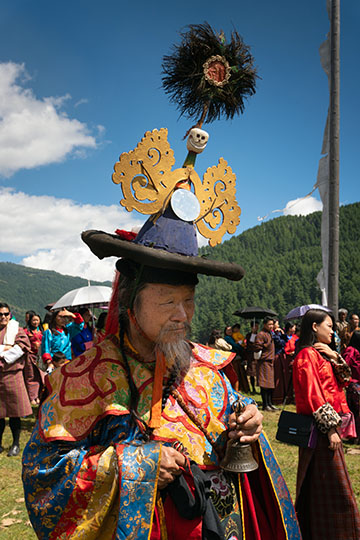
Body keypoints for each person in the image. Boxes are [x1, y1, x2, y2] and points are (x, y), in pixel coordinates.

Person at [23, 175, 301, 538]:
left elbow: (231, 416)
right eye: (168, 301)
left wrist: (247, 422)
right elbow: (43, 473)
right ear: (131, 303)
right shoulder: (82, 378)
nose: (183, 314)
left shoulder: (206, 368)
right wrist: (140, 463)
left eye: (189, 300)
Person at [292, 308, 360, 539]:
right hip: (319, 429)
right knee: (334, 486)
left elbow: (345, 380)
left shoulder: (321, 354)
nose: (333, 331)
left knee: (321, 485)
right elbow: (313, 395)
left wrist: (334, 356)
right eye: (329, 326)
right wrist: (330, 428)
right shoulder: (306, 355)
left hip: (326, 428)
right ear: (314, 327)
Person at [0, 302, 32, 457]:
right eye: (0, 314)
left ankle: (15, 444)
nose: (3, 317)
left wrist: (3, 354)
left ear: (10, 314)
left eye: (6, 314)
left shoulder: (17, 330)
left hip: (12, 375)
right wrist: (5, 348)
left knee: (14, 413)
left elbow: (21, 347)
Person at [254, 317, 277, 411]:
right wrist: (266, 345)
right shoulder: (261, 334)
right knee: (264, 384)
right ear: (264, 325)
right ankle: (265, 404)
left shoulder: (270, 333)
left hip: (270, 361)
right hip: (264, 361)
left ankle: (270, 403)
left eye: (272, 324)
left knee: (270, 384)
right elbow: (257, 347)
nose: (271, 326)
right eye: (269, 324)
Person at [24, 312, 44, 405]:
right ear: (30, 321)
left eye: (37, 320)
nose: (35, 322)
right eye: (33, 320)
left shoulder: (43, 331)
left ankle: (39, 396)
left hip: (41, 356)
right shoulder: (26, 331)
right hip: (30, 356)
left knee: (41, 376)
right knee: (31, 377)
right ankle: (32, 397)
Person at [343, 330, 360, 442]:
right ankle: (354, 436)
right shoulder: (351, 350)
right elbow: (345, 364)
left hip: (357, 384)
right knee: (355, 411)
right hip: (354, 385)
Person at [244, 320, 259, 394]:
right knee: (252, 373)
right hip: (251, 356)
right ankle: (253, 388)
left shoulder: (259, 334)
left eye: (257, 326)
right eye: (254, 326)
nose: (256, 328)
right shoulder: (249, 335)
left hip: (258, 356)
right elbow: (249, 344)